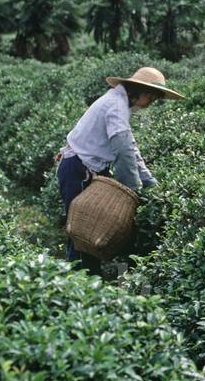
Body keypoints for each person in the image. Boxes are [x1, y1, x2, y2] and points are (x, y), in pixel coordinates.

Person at [57, 66, 185, 273]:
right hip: (78, 169)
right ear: (142, 92)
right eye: (152, 98)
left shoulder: (118, 104)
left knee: (92, 228)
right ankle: (81, 287)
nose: (151, 103)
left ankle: (90, 280)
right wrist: (134, 189)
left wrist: (151, 183)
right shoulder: (116, 107)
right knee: (82, 230)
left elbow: (131, 148)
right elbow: (123, 152)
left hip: (87, 167)